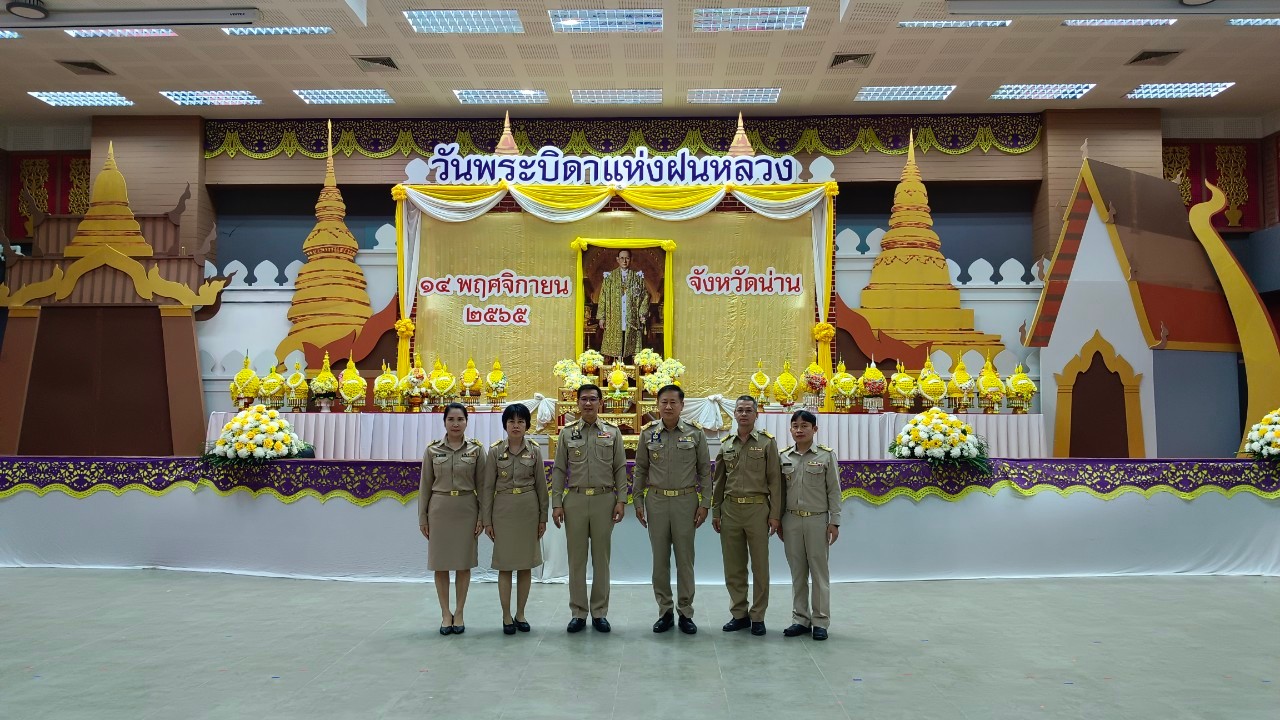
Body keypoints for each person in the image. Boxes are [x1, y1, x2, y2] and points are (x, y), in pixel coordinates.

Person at [633, 384, 711, 634]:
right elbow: (640, 470)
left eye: (673, 402)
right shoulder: (648, 434)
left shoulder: (695, 434)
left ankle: (686, 612)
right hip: (655, 501)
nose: (668, 406)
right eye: (663, 402)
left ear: (682, 405)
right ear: (657, 405)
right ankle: (665, 610)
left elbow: (705, 472)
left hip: (685, 501)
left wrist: (705, 503)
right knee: (660, 560)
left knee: (685, 560)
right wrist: (637, 501)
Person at [551, 384, 626, 633]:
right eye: (583, 399)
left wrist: (621, 500)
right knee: (576, 560)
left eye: (593, 399)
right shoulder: (567, 434)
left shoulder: (612, 433)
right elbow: (560, 469)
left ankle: (600, 612)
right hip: (575, 500)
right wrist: (557, 503)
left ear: (600, 402)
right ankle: (578, 612)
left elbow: (619, 469)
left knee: (601, 559)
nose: (588, 403)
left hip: (605, 500)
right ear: (577, 403)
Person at [711, 395, 781, 637]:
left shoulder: (767, 443)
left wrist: (775, 515)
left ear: (756, 414)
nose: (743, 414)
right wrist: (716, 511)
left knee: (760, 566)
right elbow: (718, 482)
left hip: (757, 510)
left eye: (748, 410)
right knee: (734, 567)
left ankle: (758, 615)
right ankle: (739, 613)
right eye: (739, 410)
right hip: (730, 510)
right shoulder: (726, 444)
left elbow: (775, 481)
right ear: (734, 414)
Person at [418, 403, 486, 636]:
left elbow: (484, 487)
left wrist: (483, 517)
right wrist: (423, 518)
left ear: (467, 422)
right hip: (440, 509)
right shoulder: (433, 451)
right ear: (444, 422)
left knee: (463, 564)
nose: (456, 424)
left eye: (460, 419)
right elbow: (425, 486)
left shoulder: (476, 450)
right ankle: (445, 613)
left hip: (467, 509)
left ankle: (460, 612)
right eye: (451, 419)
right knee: (441, 564)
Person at [481, 403, 548, 635]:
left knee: (526, 565)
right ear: (505, 425)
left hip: (528, 511)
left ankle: (521, 613)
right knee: (505, 566)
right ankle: (506, 615)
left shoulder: (535, 451)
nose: (516, 426)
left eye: (521, 422)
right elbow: (487, 487)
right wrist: (487, 521)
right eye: (511, 422)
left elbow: (542, 487)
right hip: (504, 511)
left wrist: (543, 518)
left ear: (527, 425)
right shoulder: (495, 451)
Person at [778, 409, 841, 641]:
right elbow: (779, 493)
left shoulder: (826, 456)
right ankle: (800, 619)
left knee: (819, 572)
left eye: (804, 426)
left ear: (814, 429)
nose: (799, 430)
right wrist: (778, 520)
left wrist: (835, 521)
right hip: (791, 520)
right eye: (795, 426)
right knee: (797, 573)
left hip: (817, 520)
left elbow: (834, 490)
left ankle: (821, 621)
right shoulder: (783, 456)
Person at [595, 248, 649, 363]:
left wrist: (642, 313)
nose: (624, 261)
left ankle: (632, 372)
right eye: (622, 258)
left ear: (631, 260)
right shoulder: (609, 278)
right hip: (614, 317)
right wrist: (601, 317)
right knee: (616, 346)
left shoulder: (637, 278)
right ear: (617, 260)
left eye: (627, 258)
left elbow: (645, 296)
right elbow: (603, 297)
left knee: (631, 345)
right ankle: (615, 370)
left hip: (632, 318)